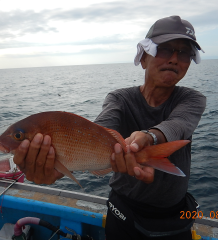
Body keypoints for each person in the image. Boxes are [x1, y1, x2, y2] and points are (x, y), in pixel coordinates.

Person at [13, 16, 206, 240]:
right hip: (122, 209)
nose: (174, 59)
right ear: (143, 58)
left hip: (175, 216)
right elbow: (100, 129)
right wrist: (59, 166)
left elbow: (178, 125)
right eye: (164, 49)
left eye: (184, 52)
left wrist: (149, 137)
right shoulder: (119, 98)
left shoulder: (193, 98)